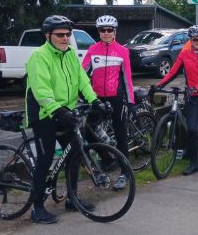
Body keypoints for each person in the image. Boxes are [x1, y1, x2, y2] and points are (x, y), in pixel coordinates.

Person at [25, 15, 108, 224]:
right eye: (60, 35)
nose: (65, 38)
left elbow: (82, 80)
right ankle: (36, 208)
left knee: (75, 153)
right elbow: (42, 91)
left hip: (65, 112)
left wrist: (94, 100)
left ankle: (72, 198)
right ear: (48, 36)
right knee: (46, 159)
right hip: (44, 114)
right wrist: (58, 110)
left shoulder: (70, 54)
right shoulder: (39, 57)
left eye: (68, 35)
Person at [154, 25, 198, 175]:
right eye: (195, 39)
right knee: (192, 130)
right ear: (191, 40)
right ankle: (193, 162)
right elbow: (173, 72)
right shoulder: (185, 55)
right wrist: (159, 84)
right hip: (192, 98)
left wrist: (197, 87)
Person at [81, 15, 134, 191]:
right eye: (102, 30)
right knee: (88, 130)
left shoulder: (122, 51)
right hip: (97, 98)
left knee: (120, 135)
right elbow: (82, 75)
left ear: (114, 31)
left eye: (109, 30)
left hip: (116, 98)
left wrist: (131, 101)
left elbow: (127, 80)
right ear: (98, 32)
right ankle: (108, 159)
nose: (105, 33)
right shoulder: (92, 49)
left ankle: (125, 173)